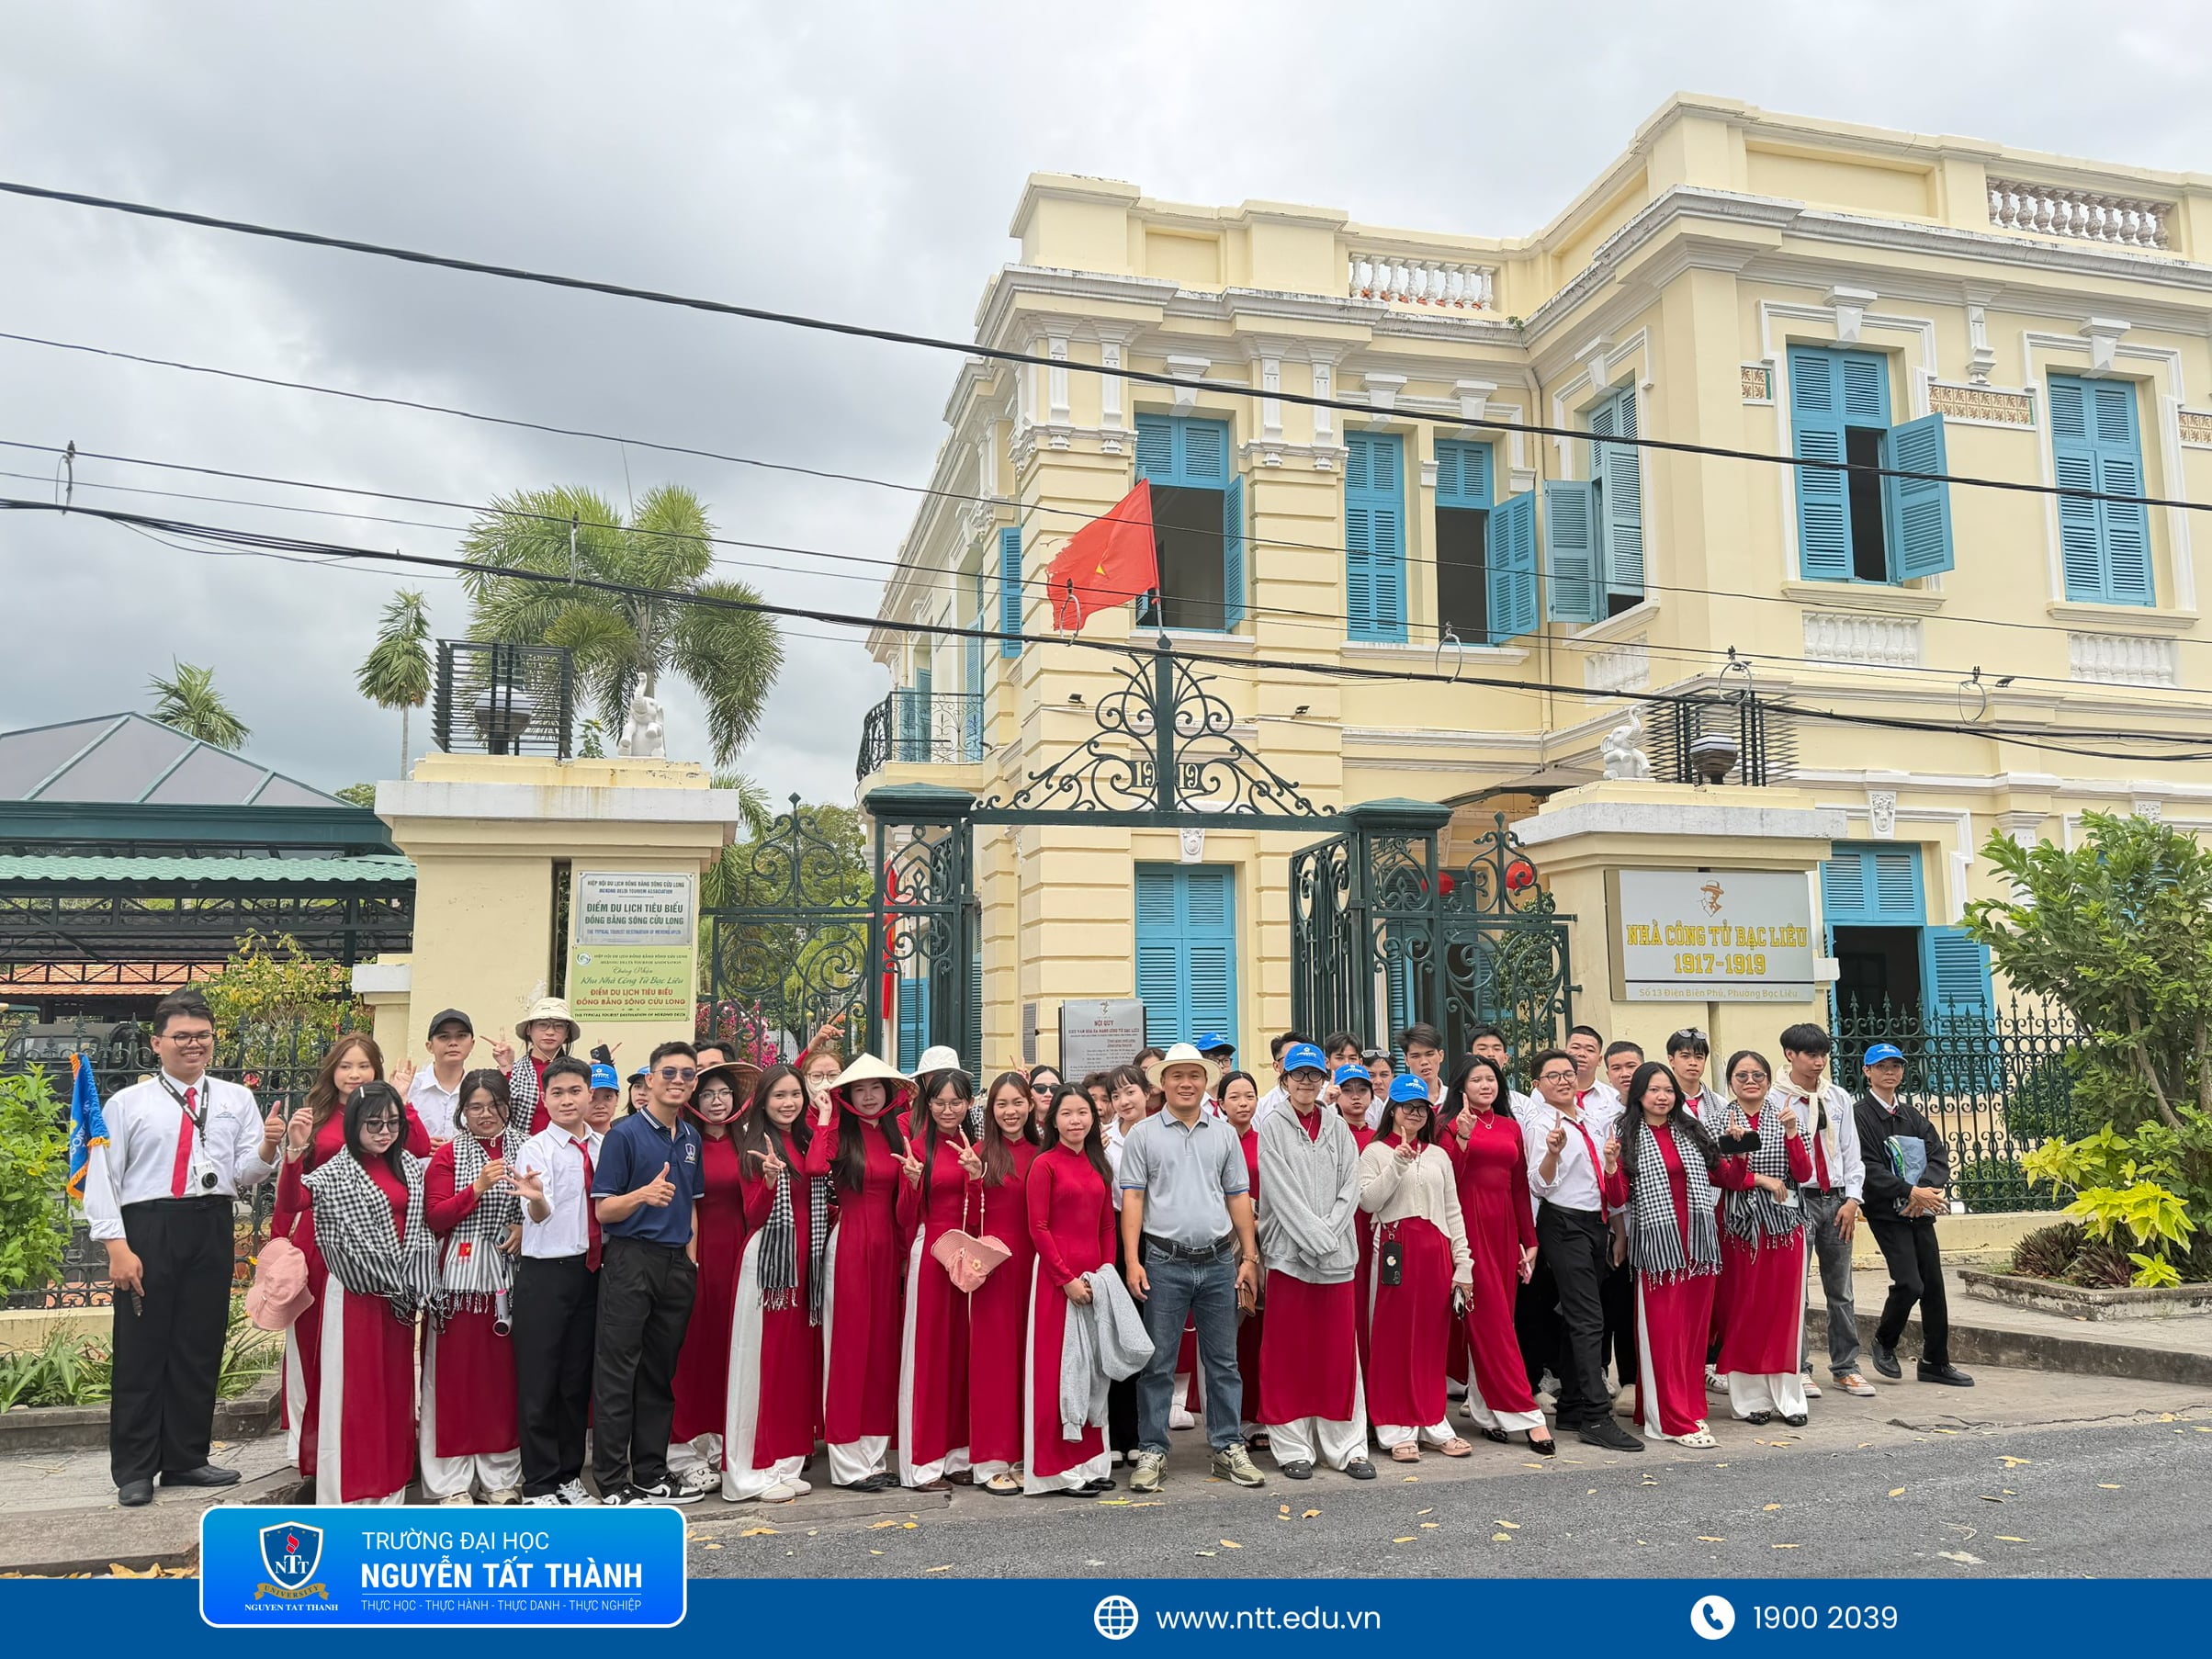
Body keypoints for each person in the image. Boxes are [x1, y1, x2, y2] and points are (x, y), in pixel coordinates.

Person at [87, 991, 281, 1507]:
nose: (194, 1045)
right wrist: (116, 1246)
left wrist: (268, 1145)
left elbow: (245, 1174)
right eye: (182, 1036)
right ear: (157, 1043)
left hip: (210, 1223)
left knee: (199, 1345)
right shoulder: (127, 1104)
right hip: (149, 1227)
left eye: (203, 1036)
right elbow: (103, 1177)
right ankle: (135, 1468)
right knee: (142, 1349)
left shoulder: (236, 1098)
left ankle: (186, 1458)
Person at [269, 1032, 428, 1482]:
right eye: (345, 1066)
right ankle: (317, 1441)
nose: (354, 1074)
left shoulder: (385, 1116)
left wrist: (401, 1099)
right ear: (332, 1070)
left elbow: (416, 1151)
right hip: (324, 1244)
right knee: (318, 1343)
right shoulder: (315, 1115)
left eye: (363, 1065)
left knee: (375, 1353)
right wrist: (280, 1236)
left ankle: (378, 1445)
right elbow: (295, 1189)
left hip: (382, 1249)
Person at [1117, 1042, 1267, 1494]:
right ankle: (1153, 1449)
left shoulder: (1223, 1134)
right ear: (1162, 1083)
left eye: (1195, 1076)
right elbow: (1133, 1198)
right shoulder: (1143, 1135)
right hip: (1163, 1261)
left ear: (1206, 1082)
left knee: (1223, 1362)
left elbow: (1238, 1196)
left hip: (1219, 1260)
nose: (1186, 1084)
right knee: (1158, 1363)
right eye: (1177, 1076)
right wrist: (1132, 1261)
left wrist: (1249, 1258)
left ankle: (1227, 1446)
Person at [1602, 1061, 1755, 1449]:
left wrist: (1738, 1151)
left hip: (1699, 1247)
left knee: (1692, 1337)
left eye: (1668, 1090)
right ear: (1639, 1094)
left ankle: (1688, 1408)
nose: (1662, 1097)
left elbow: (1730, 1179)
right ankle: (1670, 1420)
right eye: (1654, 1090)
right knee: (1665, 1336)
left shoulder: (1692, 1130)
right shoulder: (1625, 1134)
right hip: (1659, 1252)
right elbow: (1618, 1197)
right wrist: (1611, 1166)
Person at [303, 1079, 441, 1504]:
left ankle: (389, 1490)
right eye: (374, 1124)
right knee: (355, 1394)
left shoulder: (410, 1168)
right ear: (354, 1124)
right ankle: (348, 1495)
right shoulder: (335, 1173)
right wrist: (291, 1153)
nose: (385, 1132)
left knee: (395, 1394)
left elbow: (423, 1222)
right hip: (356, 1292)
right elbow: (292, 1201)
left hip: (400, 1293)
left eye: (393, 1123)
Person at [591, 1040, 705, 1505]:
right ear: (651, 1080)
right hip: (630, 1261)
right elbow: (603, 1211)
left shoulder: (691, 1137)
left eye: (687, 1075)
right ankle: (612, 1481)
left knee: (659, 1374)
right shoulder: (624, 1135)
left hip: (675, 1265)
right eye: (670, 1073)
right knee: (618, 1373)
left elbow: (692, 1204)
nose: (678, 1081)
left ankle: (651, 1473)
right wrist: (642, 1195)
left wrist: (692, 1261)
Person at [1255, 1042, 1374, 1482]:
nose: (1306, 1083)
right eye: (1298, 1075)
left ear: (1325, 1081)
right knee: (1289, 1354)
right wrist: (1314, 1238)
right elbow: (1280, 1192)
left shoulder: (1338, 1127)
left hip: (1336, 1259)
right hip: (1289, 1258)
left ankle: (1347, 1447)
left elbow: (1351, 1187)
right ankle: (1293, 1447)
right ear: (1284, 1079)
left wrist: (1327, 1237)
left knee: (1338, 1355)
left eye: (1314, 1075)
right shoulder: (1272, 1126)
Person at [803, 1053, 913, 1491]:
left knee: (882, 1352)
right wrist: (826, 1116)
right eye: (859, 1089)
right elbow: (815, 1166)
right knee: (849, 1351)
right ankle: (847, 1463)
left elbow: (903, 1204)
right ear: (846, 1094)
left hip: (887, 1249)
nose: (868, 1097)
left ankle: (873, 1457)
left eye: (876, 1088)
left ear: (888, 1092)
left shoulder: (895, 1131)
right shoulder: (840, 1130)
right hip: (848, 1246)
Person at [1526, 1047, 1642, 1453]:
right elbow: (1540, 1184)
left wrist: (1617, 1228)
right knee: (1588, 1318)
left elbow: (1606, 1180)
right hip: (1563, 1223)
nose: (1563, 1081)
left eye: (1568, 1073)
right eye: (1552, 1075)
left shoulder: (1592, 1120)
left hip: (1596, 1224)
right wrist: (1552, 1154)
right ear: (1537, 1084)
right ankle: (1596, 1415)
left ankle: (1573, 1404)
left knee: (1579, 1315)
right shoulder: (1541, 1124)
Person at [421, 1068, 525, 1504]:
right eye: (475, 1107)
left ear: (508, 1105)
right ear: (462, 1111)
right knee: (454, 1378)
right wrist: (478, 1187)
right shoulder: (449, 1155)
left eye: (494, 1105)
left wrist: (523, 1225)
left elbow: (548, 1204)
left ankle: (501, 1477)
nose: (485, 1114)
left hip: (511, 1276)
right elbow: (436, 1216)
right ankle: (451, 1482)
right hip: (459, 1281)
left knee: (502, 1380)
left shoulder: (526, 1147)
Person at [723, 1063, 827, 1503]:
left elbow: (819, 1171)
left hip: (804, 1266)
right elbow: (752, 1214)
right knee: (761, 1364)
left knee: (793, 1367)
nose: (788, 1103)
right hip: (769, 1266)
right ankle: (752, 1469)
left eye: (795, 1094)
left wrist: (824, 1119)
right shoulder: (754, 1145)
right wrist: (767, 1181)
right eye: (779, 1095)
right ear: (763, 1101)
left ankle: (785, 1461)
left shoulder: (804, 1140)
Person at [1360, 1074, 1473, 1463]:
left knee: (1430, 1340)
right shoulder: (1375, 1152)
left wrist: (1464, 1262)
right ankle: (1394, 1425)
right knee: (1392, 1338)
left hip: (1436, 1252)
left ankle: (1432, 1420)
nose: (1414, 1113)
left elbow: (1453, 1210)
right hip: (1395, 1249)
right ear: (1392, 1110)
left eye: (1421, 1107)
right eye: (1407, 1106)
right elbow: (1368, 1202)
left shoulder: (1439, 1155)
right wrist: (1396, 1164)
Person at [1443, 1056, 1552, 1454]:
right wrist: (1462, 1139)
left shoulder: (1509, 1126)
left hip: (1503, 1229)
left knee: (1497, 1320)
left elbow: (1518, 1186)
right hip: (1466, 1227)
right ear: (1461, 1087)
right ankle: (1526, 1414)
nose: (1486, 1085)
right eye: (1477, 1079)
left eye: (1491, 1079)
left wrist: (1529, 1239)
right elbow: (1445, 1179)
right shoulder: (1446, 1125)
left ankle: (1486, 1412)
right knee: (1493, 1323)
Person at [1855, 1044, 1973, 1388]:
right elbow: (1867, 1166)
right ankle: (1885, 1340)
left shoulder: (1912, 1117)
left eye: (1896, 1066)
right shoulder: (1859, 1116)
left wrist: (1924, 1191)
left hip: (1920, 1210)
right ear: (1867, 1072)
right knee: (1910, 1283)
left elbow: (1937, 1157)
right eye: (1881, 1066)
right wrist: (1908, 1192)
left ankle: (1936, 1361)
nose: (1889, 1072)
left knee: (1934, 1286)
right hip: (1886, 1213)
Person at [512, 1056, 603, 1506]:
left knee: (575, 1380)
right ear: (544, 1100)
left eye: (575, 1091)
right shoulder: (536, 1149)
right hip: (546, 1274)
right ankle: (540, 1483)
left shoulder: (604, 1146)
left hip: (593, 1272)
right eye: (557, 1093)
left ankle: (569, 1476)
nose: (567, 1100)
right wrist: (536, 1200)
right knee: (540, 1380)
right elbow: (539, 1213)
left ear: (590, 1094)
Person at [668, 1057, 760, 1495]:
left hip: (740, 1256)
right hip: (698, 1255)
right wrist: (690, 1261)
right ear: (694, 1100)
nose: (717, 1101)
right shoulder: (684, 1142)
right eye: (708, 1094)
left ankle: (728, 1444)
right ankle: (684, 1451)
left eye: (724, 1093)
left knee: (732, 1349)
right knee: (691, 1352)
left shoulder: (750, 1142)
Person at [1024, 1085, 1122, 1496]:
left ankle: (1092, 1462)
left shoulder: (1099, 1166)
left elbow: (1107, 1226)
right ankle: (1057, 1470)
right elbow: (1038, 1228)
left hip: (1094, 1280)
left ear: (1094, 1118)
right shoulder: (1044, 1164)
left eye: (1083, 1112)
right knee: (1057, 1370)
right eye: (1067, 1113)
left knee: (1093, 1370)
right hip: (1056, 1282)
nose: (1076, 1120)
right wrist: (1065, 1279)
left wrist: (1105, 1275)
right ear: (1053, 1120)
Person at [1712, 1048, 1815, 1426]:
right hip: (1739, 1226)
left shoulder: (1787, 1116)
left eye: (1758, 1075)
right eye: (1742, 1076)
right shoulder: (1718, 1121)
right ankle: (1749, 1400)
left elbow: (1803, 1174)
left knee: (1784, 1310)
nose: (1751, 1081)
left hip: (1784, 1226)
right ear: (1730, 1082)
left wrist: (1792, 1134)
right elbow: (1719, 1175)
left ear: (1769, 1080)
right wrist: (1759, 1178)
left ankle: (1789, 1397)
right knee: (1744, 1309)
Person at [1774, 1023, 1875, 1400]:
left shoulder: (1837, 1097)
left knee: (1841, 1289)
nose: (1818, 1063)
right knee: (1795, 1290)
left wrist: (1853, 1200)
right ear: (1790, 1055)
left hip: (1836, 1200)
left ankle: (1846, 1368)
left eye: (1822, 1055)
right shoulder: (1776, 1098)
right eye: (1810, 1055)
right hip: (1797, 1199)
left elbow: (1851, 1150)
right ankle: (1798, 1368)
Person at [896, 1067, 979, 1488]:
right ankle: (922, 1462)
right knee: (928, 1357)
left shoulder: (977, 1149)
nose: (948, 1110)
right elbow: (903, 1218)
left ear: (969, 1104)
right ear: (927, 1105)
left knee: (963, 1355)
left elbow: (984, 1213)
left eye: (956, 1102)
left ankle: (959, 1454)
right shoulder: (914, 1148)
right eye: (940, 1103)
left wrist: (977, 1177)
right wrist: (912, 1184)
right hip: (931, 1255)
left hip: (971, 1259)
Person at [969, 1071, 1040, 1494]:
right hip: (993, 1269)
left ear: (1030, 1106)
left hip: (1035, 1268)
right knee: (994, 1362)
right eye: (1001, 1104)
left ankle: (1028, 1453)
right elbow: (964, 1216)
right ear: (990, 1109)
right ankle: (991, 1459)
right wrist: (972, 1178)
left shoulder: (1043, 1153)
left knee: (1031, 1360)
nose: (1010, 1112)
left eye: (1017, 1103)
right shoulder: (978, 1154)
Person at [1213, 1069, 1270, 1447]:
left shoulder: (1266, 1143)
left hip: (1264, 1241)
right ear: (1220, 1103)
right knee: (1227, 1333)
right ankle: (1231, 1418)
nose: (1243, 1103)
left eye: (1249, 1096)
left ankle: (1260, 1414)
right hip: (1223, 1242)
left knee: (1260, 1330)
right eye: (1234, 1097)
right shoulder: (1214, 1141)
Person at [407, 1008, 480, 1142]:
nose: (453, 1043)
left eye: (461, 1036)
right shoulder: (410, 1087)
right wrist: (420, 1145)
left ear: (472, 1044)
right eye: (444, 1037)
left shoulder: (479, 1089)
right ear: (429, 1046)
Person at [1254, 1031, 1309, 1124]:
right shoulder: (1263, 1107)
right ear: (1276, 1066)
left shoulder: (1322, 1096)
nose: (1297, 1064)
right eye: (1290, 1058)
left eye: (1301, 1058)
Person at [1026, 1063, 1065, 1133]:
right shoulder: (1020, 1127)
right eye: (1040, 1088)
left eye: (1055, 1089)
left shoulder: (1070, 1125)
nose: (1048, 1094)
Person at [588, 1061, 625, 1133]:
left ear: (617, 1099)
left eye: (608, 1097)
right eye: (592, 1097)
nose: (600, 1106)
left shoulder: (628, 1137)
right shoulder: (568, 1138)